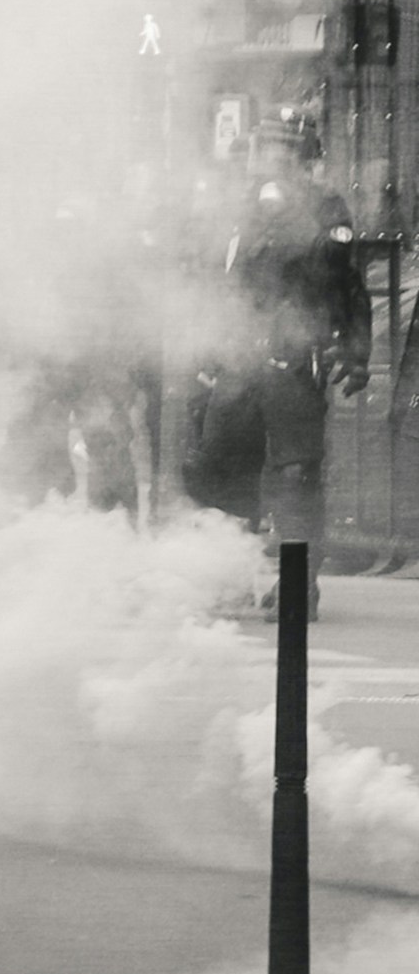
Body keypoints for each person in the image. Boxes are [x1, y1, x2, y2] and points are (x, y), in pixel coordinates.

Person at [183, 131, 371, 618]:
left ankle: (298, 587)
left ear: (305, 160)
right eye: (267, 151)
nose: (272, 161)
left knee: (295, 477)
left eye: (285, 152)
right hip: (239, 359)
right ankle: (227, 576)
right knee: (222, 470)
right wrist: (202, 350)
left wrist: (354, 352)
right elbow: (216, 284)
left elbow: (346, 285)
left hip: (293, 356)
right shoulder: (237, 210)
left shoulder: (324, 209)